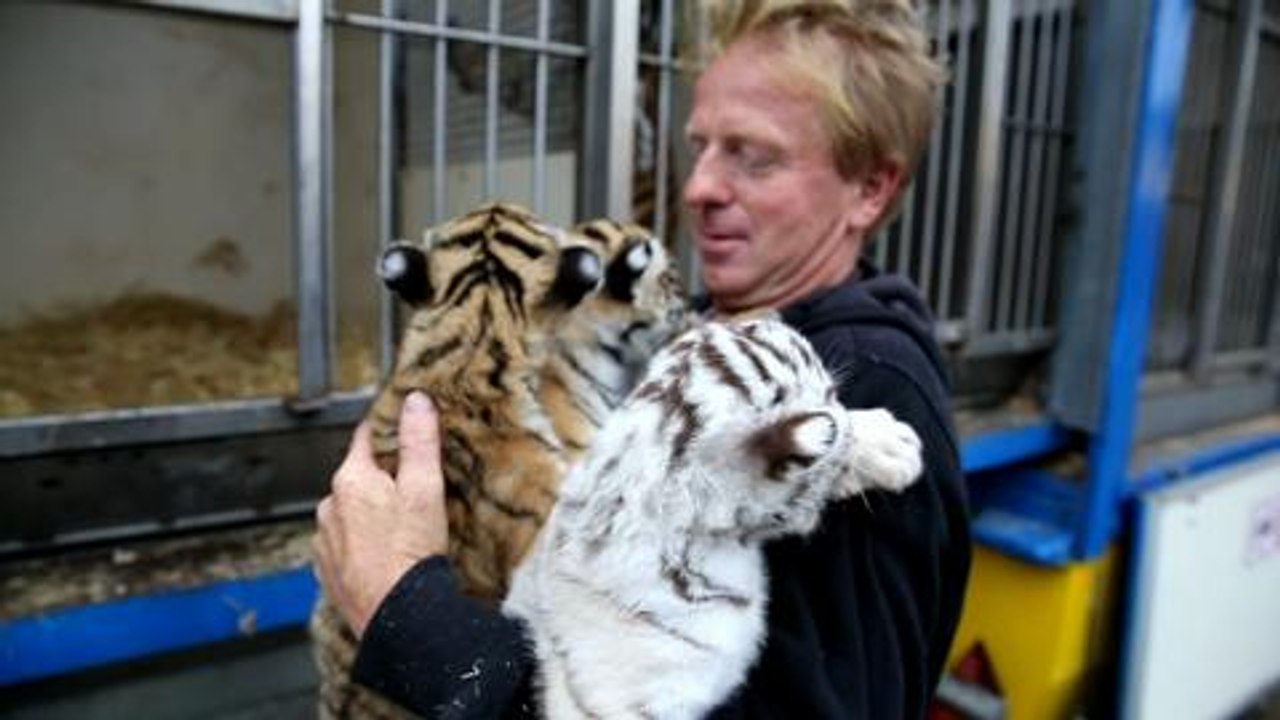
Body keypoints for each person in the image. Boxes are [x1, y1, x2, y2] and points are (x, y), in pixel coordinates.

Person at [312, 0, 971, 717]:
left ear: (871, 188)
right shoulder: (721, 331)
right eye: (702, 147)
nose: (699, 188)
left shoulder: (858, 386)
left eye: (754, 156)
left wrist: (412, 617)